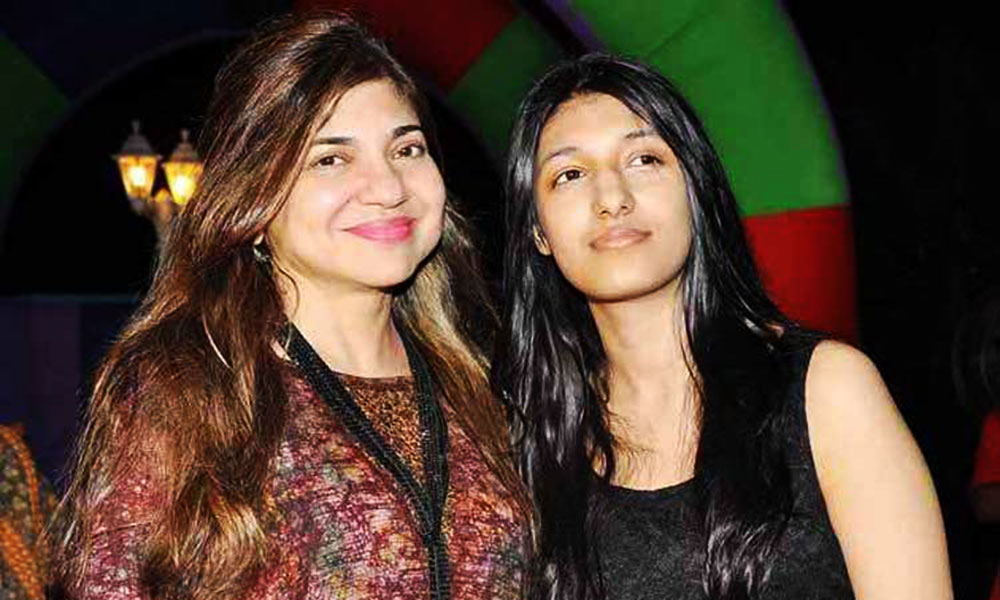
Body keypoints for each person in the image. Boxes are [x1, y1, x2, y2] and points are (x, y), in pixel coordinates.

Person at [50, 14, 527, 600]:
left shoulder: (485, 384)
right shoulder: (191, 390)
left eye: (407, 149)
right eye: (330, 159)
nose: (388, 188)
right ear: (254, 201)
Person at [493, 53, 952, 599]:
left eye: (644, 159)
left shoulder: (825, 390)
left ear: (695, 191)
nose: (612, 198)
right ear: (538, 232)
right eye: (570, 175)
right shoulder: (526, 440)